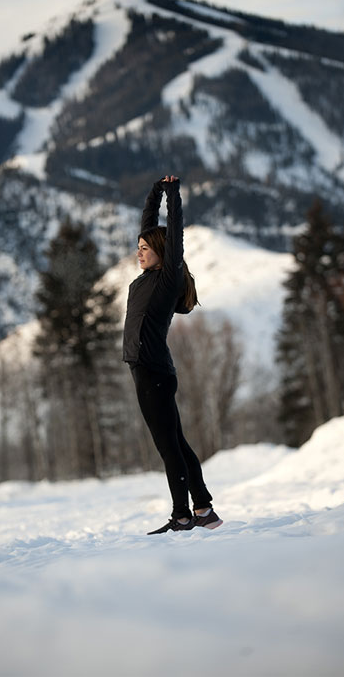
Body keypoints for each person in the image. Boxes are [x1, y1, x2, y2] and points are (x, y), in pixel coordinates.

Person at [125, 175, 221, 535]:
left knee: (169, 448)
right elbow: (149, 226)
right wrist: (153, 192)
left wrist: (173, 195)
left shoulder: (168, 278)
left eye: (145, 248)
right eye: (138, 246)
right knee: (176, 443)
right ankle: (203, 509)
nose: (139, 251)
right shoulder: (148, 277)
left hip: (153, 373)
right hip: (147, 372)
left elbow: (174, 234)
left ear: (161, 254)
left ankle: (183, 516)